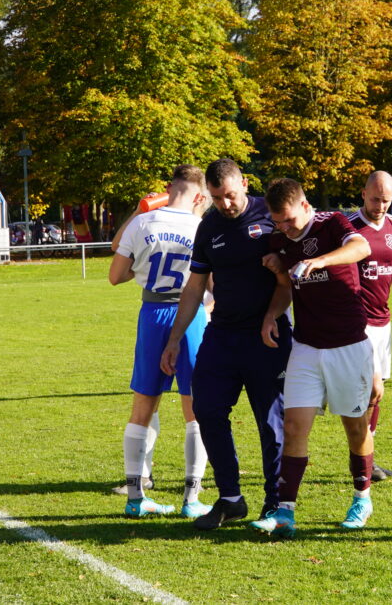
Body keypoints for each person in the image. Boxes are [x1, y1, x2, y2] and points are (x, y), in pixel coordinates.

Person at [160, 158, 289, 530]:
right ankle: (231, 498)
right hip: (223, 334)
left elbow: (297, 265)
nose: (226, 204)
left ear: (245, 184)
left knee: (271, 421)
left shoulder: (272, 213)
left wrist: (281, 261)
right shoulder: (209, 226)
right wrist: (174, 339)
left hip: (268, 335)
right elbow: (195, 286)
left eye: (230, 196)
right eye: (217, 198)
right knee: (207, 408)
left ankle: (275, 502)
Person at [251, 178, 374, 538]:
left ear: (305, 205)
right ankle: (285, 512)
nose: (284, 228)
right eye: (278, 222)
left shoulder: (332, 223)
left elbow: (360, 247)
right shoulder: (280, 241)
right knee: (293, 427)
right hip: (305, 346)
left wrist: (317, 261)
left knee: (355, 426)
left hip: (348, 345)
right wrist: (272, 315)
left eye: (289, 220)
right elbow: (285, 288)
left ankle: (362, 496)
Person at [109, 165, 212, 519]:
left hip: (152, 315)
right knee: (196, 411)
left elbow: (115, 276)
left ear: (169, 189)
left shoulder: (142, 223)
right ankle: (191, 498)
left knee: (142, 409)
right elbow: (213, 287)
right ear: (199, 196)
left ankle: (136, 497)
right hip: (191, 317)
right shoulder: (202, 227)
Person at [348, 171, 392, 482]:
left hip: (383, 322)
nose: (380, 205)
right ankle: (363, 461)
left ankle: (368, 459)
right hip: (355, 323)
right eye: (375, 199)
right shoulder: (348, 227)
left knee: (377, 394)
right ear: (363, 193)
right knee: (368, 391)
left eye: (386, 200)